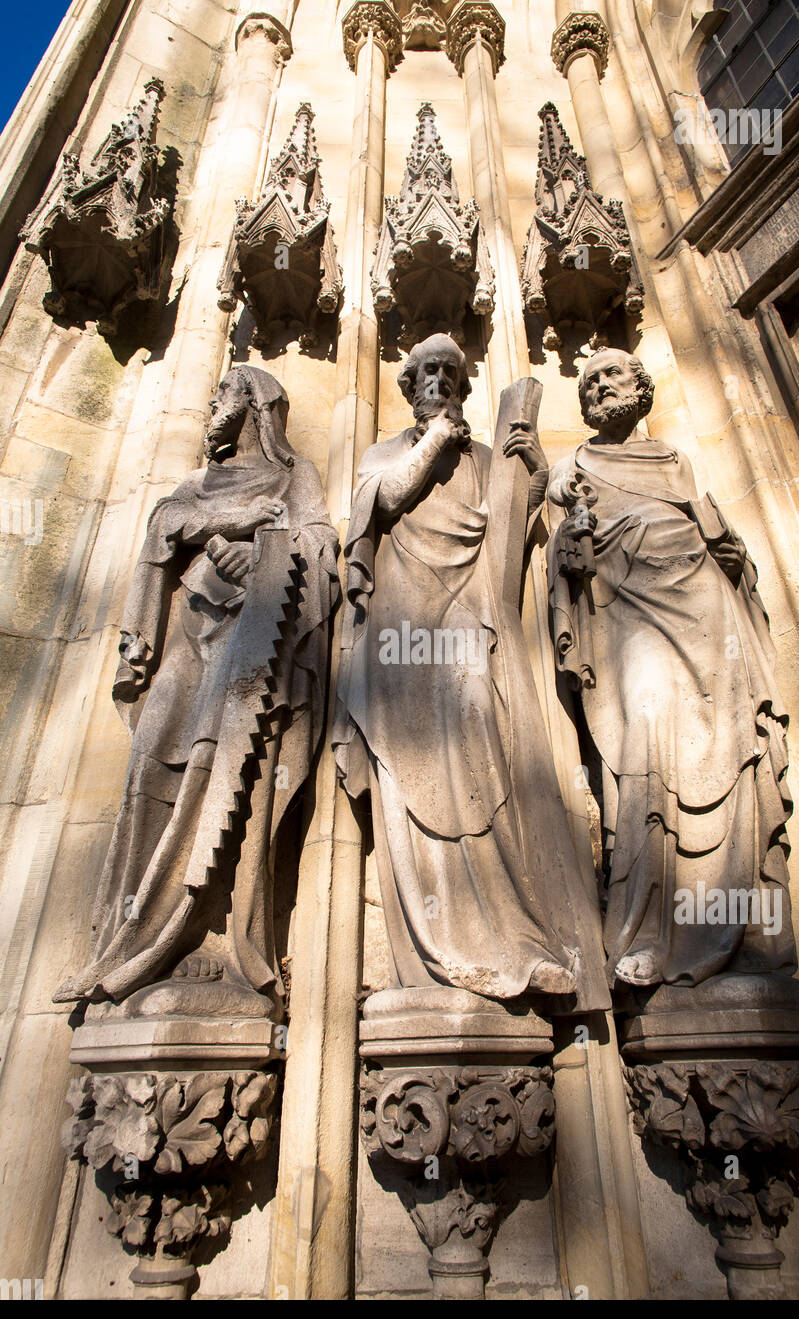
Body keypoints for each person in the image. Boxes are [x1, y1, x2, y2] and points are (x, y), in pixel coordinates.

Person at [54, 366, 339, 1018]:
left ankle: (217, 947)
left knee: (232, 776)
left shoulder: (294, 476)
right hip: (188, 646)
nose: (212, 403)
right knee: (150, 763)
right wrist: (227, 521)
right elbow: (165, 527)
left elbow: (322, 546)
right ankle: (127, 940)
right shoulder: (193, 485)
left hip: (250, 652)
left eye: (224, 393)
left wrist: (271, 551)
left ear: (257, 405)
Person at [334, 333, 608, 1008]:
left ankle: (506, 933)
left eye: (451, 373)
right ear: (408, 387)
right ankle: (436, 949)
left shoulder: (482, 460)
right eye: (427, 373)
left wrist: (532, 475)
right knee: (412, 771)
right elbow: (384, 501)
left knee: (484, 751)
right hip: (401, 632)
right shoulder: (386, 452)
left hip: (467, 620)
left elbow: (508, 543)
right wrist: (434, 441)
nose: (440, 382)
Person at [548, 347, 796, 989]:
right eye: (591, 379)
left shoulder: (676, 460)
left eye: (613, 375)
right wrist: (569, 543)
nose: (601, 386)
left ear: (641, 387)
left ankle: (741, 930)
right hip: (629, 612)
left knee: (731, 751)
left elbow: (713, 532)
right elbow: (564, 548)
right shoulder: (573, 465)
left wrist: (735, 558)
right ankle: (649, 931)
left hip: (705, 606)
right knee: (648, 742)